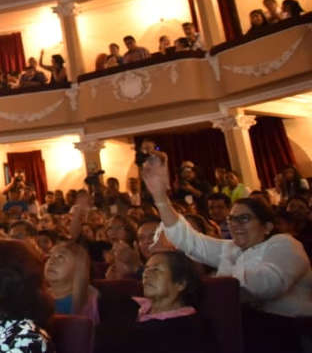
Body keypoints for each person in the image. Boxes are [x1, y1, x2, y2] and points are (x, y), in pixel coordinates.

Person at [141, 150, 312, 347]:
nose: (235, 225)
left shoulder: (285, 243)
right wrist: (160, 197)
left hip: (288, 332)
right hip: (242, 329)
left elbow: (266, 286)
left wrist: (222, 271)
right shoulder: (232, 249)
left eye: (244, 218)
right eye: (232, 219)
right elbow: (188, 240)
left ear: (267, 227)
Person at [95, 250, 214, 353]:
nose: (146, 274)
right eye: (146, 270)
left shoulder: (190, 329)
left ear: (180, 283)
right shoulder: (127, 306)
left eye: (156, 270)